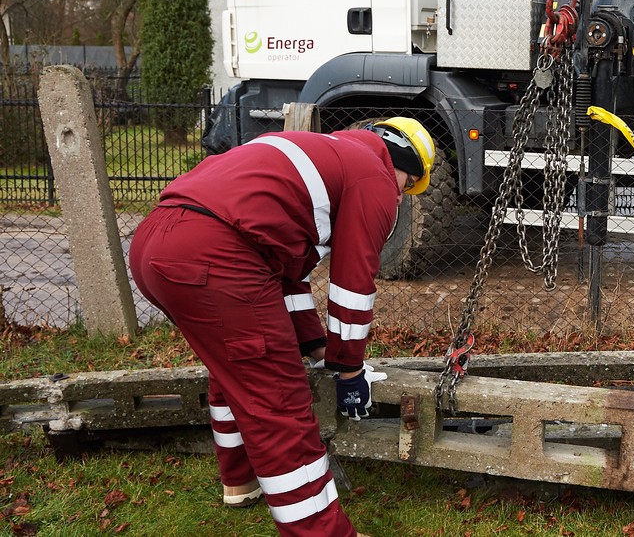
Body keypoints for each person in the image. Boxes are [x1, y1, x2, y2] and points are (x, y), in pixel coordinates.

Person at [130, 117, 436, 537]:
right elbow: (353, 283)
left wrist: (315, 346)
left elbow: (289, 278)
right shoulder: (374, 176)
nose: (401, 198)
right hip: (214, 252)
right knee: (279, 399)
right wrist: (349, 370)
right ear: (402, 162)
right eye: (408, 185)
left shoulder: (319, 153)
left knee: (233, 367)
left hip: (156, 241)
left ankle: (241, 479)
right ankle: (320, 531)